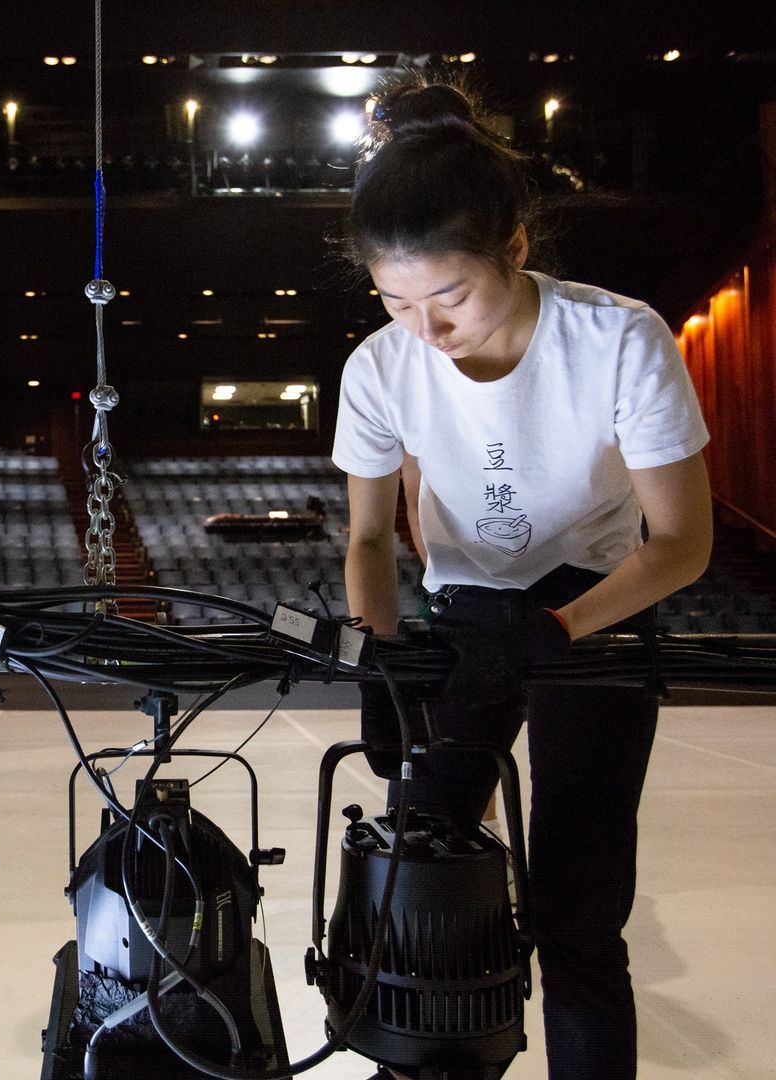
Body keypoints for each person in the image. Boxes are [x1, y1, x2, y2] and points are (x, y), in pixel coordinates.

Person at [330, 76, 712, 1080]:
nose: (428, 329)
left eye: (448, 296)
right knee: (416, 863)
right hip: (465, 614)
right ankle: (426, 1059)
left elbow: (680, 543)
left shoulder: (619, 340)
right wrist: (383, 652)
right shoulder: (379, 367)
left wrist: (557, 634)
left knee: (579, 919)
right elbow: (370, 540)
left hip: (598, 608)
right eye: (396, 300)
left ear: (514, 247)